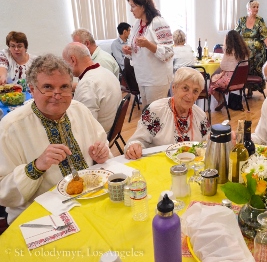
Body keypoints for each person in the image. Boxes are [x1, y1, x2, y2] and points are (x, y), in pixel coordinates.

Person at [0, 54, 111, 224]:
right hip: (40, 217)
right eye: (48, 87)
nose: (57, 95)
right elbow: (3, 193)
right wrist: (36, 166)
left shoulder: (79, 110)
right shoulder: (11, 127)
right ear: (32, 89)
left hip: (90, 201)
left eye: (64, 87)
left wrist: (101, 156)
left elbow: (103, 147)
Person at [124, 67, 210, 160]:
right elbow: (137, 141)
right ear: (174, 88)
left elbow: (207, 142)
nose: (190, 96)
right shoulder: (156, 111)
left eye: (195, 91)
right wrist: (134, 147)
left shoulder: (200, 115)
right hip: (159, 166)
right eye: (185, 88)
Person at [122, 0, 174, 108]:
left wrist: (148, 45)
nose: (131, 10)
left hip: (156, 79)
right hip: (142, 77)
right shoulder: (137, 24)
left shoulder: (159, 22)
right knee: (147, 113)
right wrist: (129, 50)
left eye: (133, 6)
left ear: (143, 6)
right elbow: (138, 52)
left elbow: (168, 52)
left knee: (156, 114)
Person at [62, 42, 122, 133]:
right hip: (111, 129)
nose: (65, 68)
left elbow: (84, 127)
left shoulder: (87, 84)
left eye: (65, 63)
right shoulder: (105, 71)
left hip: (98, 137)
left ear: (73, 60)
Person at [235, 0, 267, 97]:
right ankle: (243, 88)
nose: (256, 9)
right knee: (244, 70)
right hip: (244, 52)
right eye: (254, 7)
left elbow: (265, 35)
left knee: (255, 71)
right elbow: (235, 34)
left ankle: (252, 90)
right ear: (249, 8)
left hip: (257, 53)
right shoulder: (242, 20)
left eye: (257, 7)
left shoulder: (260, 20)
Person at [209, 30, 249, 111]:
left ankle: (220, 100)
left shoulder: (229, 52)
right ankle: (221, 100)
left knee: (211, 83)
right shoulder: (244, 51)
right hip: (241, 82)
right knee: (218, 78)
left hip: (230, 82)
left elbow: (223, 66)